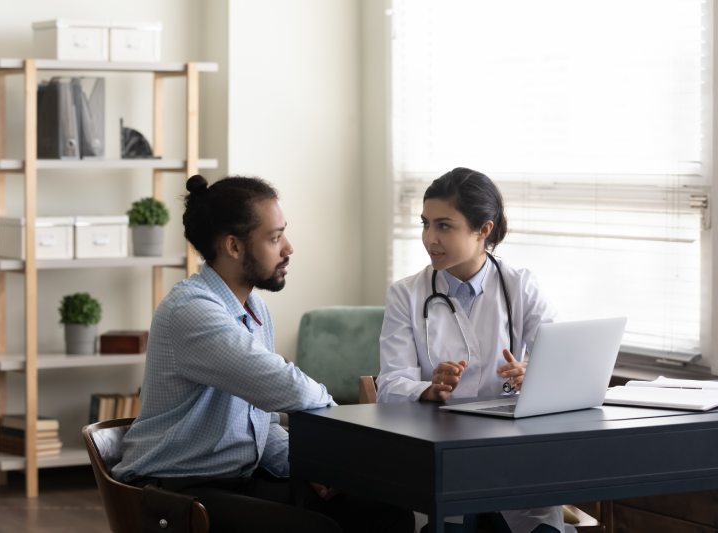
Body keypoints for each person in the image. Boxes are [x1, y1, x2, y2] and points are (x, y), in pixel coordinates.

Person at [113, 174, 414, 533]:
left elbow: (261, 425)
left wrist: (314, 464)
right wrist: (338, 432)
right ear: (233, 247)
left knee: (384, 510)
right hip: (178, 489)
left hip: (237, 478)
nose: (288, 247)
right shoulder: (192, 311)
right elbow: (289, 388)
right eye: (274, 238)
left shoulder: (254, 309)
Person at [378, 167, 563, 532]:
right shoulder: (406, 294)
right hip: (442, 457)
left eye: (444, 226)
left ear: (483, 230)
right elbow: (389, 385)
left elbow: (562, 367)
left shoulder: (520, 286)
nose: (429, 238)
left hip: (514, 457)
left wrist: (535, 374)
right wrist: (428, 389)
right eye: (425, 223)